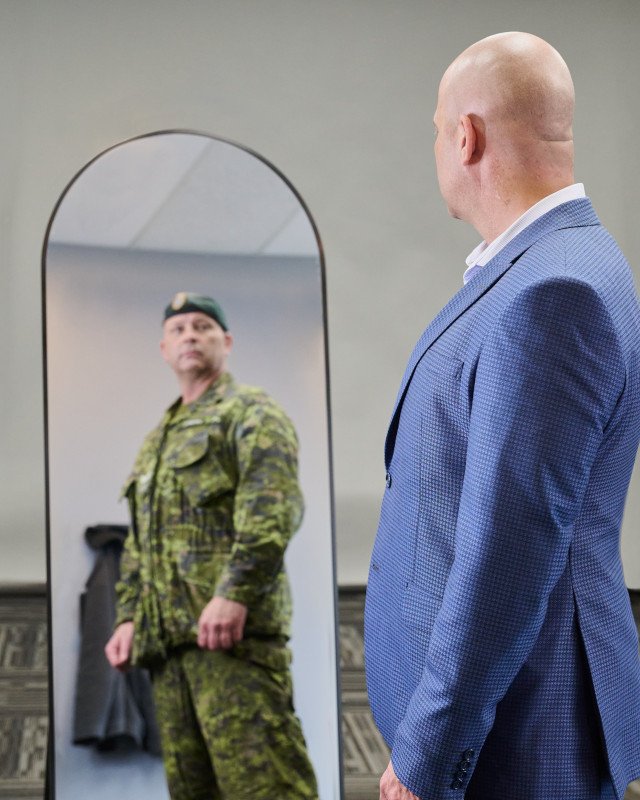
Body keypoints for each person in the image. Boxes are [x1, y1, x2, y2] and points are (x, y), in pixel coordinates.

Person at [364, 32, 640, 800]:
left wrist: (427, 757)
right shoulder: (555, 265)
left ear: (467, 136)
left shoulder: (553, 294)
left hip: (517, 734)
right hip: (509, 715)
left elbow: (504, 559)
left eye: (436, 131)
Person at [105, 292, 318, 800]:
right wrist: (129, 616)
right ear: (164, 349)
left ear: (226, 341)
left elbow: (273, 508)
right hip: (168, 655)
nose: (190, 336)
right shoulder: (158, 439)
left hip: (232, 645)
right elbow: (140, 542)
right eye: (178, 329)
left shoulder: (250, 412)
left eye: (202, 326)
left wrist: (234, 593)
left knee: (267, 789)